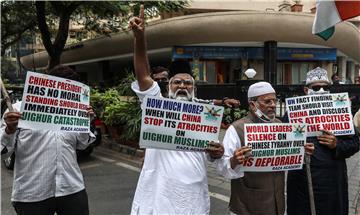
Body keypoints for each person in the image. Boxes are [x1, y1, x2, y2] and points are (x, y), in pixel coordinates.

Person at [129, 5, 224, 214]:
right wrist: (140, 38)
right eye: (177, 82)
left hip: (193, 196)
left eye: (188, 83)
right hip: (159, 195)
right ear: (168, 86)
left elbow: (212, 153)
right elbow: (143, 75)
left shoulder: (206, 115)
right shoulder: (156, 104)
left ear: (194, 88)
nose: (182, 86)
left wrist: (218, 152)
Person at [0, 65, 96, 215]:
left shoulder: (73, 112)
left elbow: (83, 144)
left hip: (72, 189)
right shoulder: (17, 111)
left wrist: (85, 123)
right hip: (32, 194)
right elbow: (3, 154)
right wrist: (9, 130)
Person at [217, 81, 314, 215]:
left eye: (275, 101)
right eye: (267, 102)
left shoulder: (280, 125)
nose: (273, 105)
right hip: (247, 207)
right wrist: (234, 160)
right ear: (252, 104)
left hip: (278, 205)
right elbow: (222, 168)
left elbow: (285, 158)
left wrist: (301, 153)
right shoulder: (236, 128)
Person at [286, 67, 360, 215]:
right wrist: (298, 147)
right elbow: (282, 144)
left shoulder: (340, 111)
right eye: (316, 87)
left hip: (332, 179)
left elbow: (355, 143)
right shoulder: (292, 113)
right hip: (302, 180)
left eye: (325, 87)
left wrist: (337, 144)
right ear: (307, 90)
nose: (321, 90)